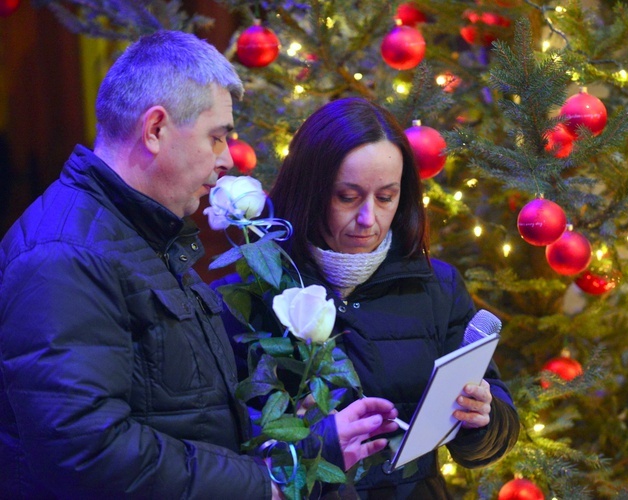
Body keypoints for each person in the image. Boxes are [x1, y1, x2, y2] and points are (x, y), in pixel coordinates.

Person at [0, 31, 401, 500]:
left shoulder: (141, 234)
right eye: (217, 138)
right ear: (155, 129)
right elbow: (88, 453)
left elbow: (183, 414)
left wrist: (309, 446)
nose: (227, 159)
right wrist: (262, 484)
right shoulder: (64, 256)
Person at [247, 97, 520, 498]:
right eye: (348, 197)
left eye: (386, 197)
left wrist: (483, 418)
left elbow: (497, 423)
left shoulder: (436, 285)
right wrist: (308, 442)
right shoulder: (255, 287)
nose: (368, 219)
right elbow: (225, 440)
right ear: (310, 190)